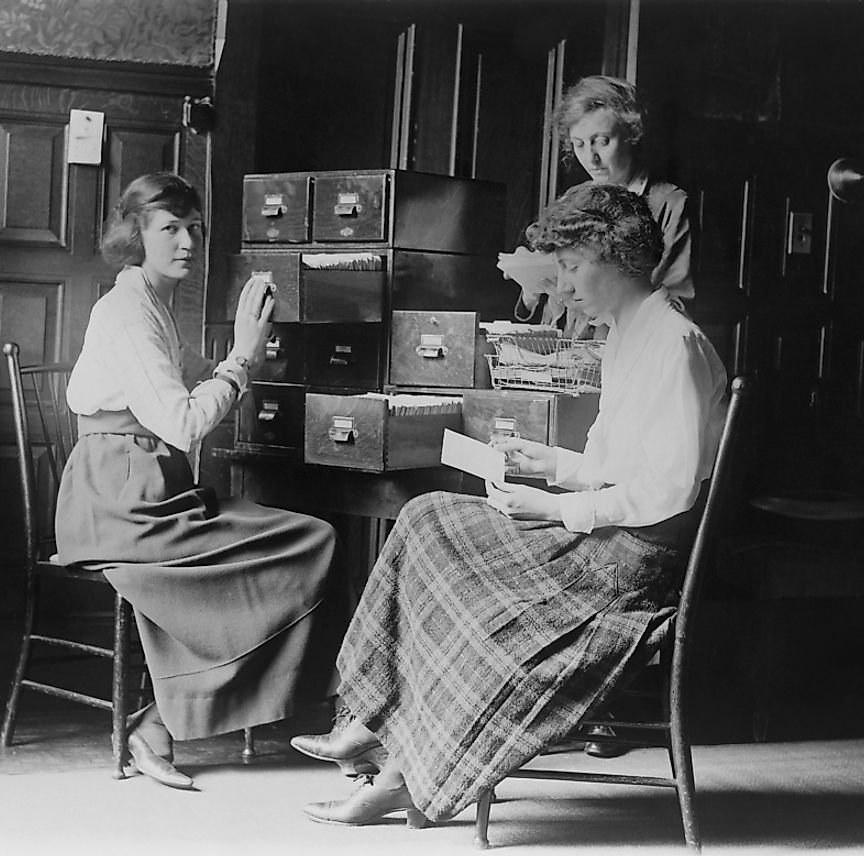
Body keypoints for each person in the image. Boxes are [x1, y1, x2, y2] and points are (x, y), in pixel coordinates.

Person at [290, 183, 727, 828]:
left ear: (624, 260)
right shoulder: (628, 336)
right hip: (611, 539)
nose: (565, 283)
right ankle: (373, 725)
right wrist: (547, 464)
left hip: (633, 565)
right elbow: (619, 466)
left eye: (576, 266)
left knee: (449, 561)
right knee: (426, 518)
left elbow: (670, 492)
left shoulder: (675, 344)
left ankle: (396, 770)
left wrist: (551, 510)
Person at [56, 172, 341, 790]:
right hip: (119, 503)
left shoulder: (152, 302)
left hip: (150, 489)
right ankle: (163, 722)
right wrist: (243, 355)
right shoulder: (127, 310)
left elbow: (184, 400)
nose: (187, 241)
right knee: (304, 542)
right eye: (169, 228)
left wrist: (249, 358)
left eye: (194, 228)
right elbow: (183, 421)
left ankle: (170, 717)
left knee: (310, 538)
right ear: (136, 235)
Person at [510, 75, 694, 338]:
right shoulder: (574, 202)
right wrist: (531, 290)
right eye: (579, 145)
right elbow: (555, 316)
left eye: (602, 141)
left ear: (631, 133)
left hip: (632, 355)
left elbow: (677, 307)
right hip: (574, 363)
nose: (591, 158)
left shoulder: (669, 203)